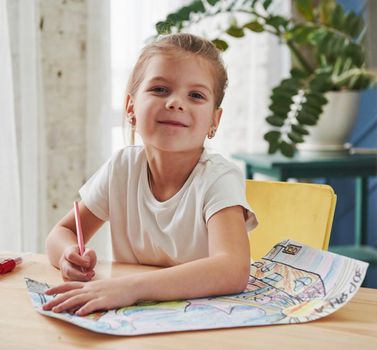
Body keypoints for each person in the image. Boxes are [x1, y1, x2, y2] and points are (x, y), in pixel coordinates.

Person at [43, 32, 257, 316]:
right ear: (131, 107)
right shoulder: (122, 168)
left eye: (196, 95)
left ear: (214, 121)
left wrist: (130, 288)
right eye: (159, 89)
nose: (175, 103)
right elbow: (62, 233)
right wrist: (68, 256)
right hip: (135, 322)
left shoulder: (218, 178)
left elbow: (232, 269)